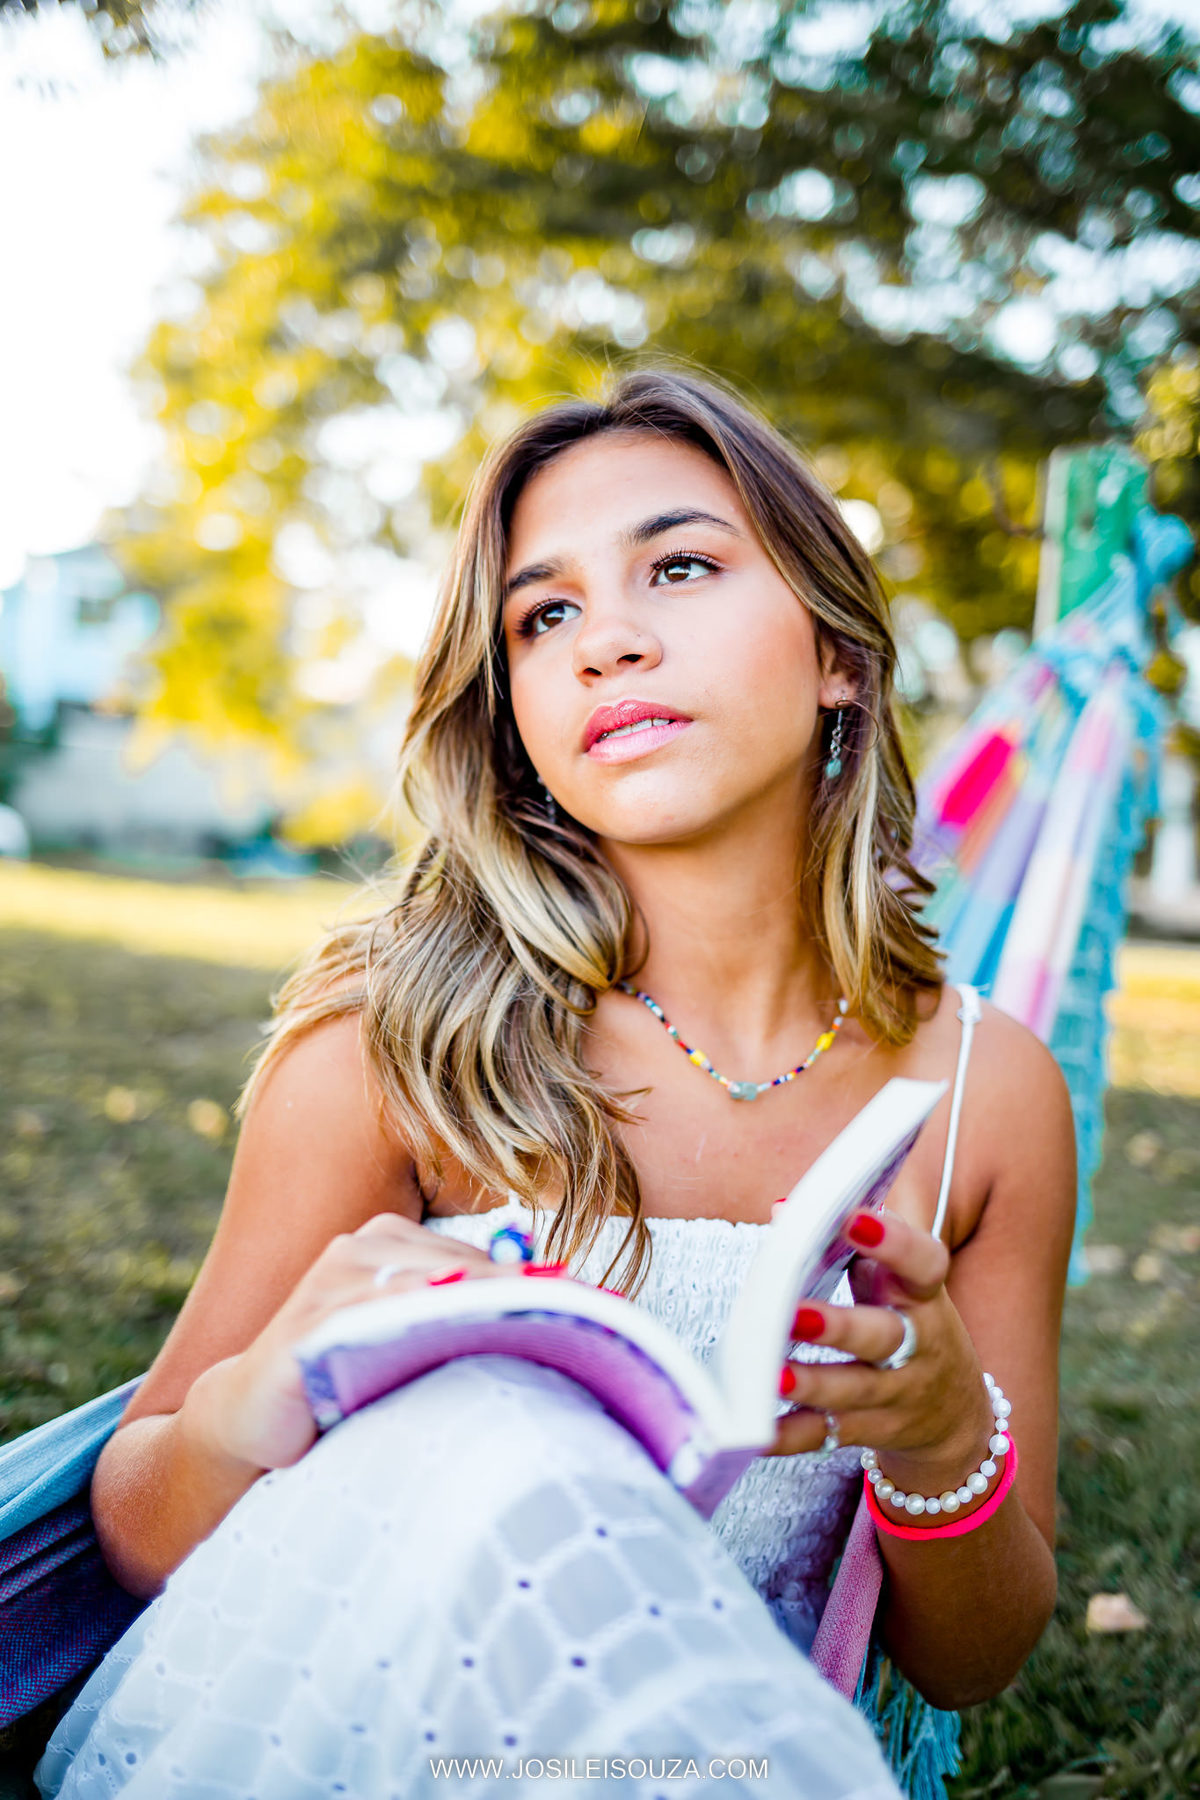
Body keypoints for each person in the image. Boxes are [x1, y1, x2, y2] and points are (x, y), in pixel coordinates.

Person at [35, 368, 1075, 1799]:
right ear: (514, 706)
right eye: (547, 615)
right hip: (357, 1724)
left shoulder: (985, 1097)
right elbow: (143, 1529)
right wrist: (259, 1396)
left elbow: (978, 1659)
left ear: (838, 651)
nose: (609, 644)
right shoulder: (399, 1047)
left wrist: (945, 1436)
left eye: (684, 566)